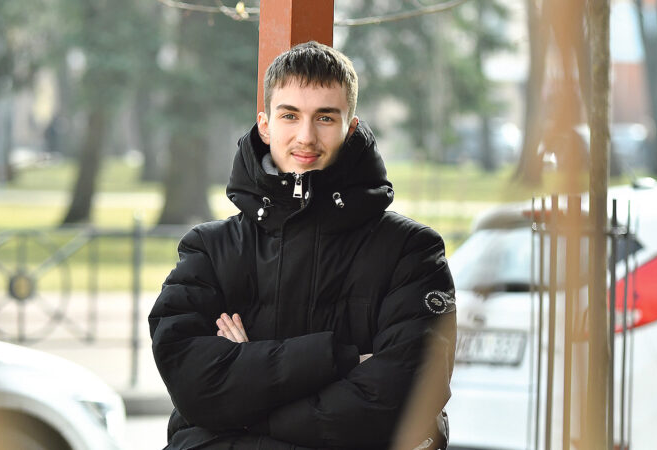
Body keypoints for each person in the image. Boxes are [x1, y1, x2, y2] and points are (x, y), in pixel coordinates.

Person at [149, 41, 456, 450]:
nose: (306, 136)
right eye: (290, 115)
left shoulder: (411, 252)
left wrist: (245, 401)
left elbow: (404, 400)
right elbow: (194, 386)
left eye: (325, 117)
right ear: (265, 125)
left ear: (350, 128)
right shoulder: (209, 250)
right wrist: (342, 360)